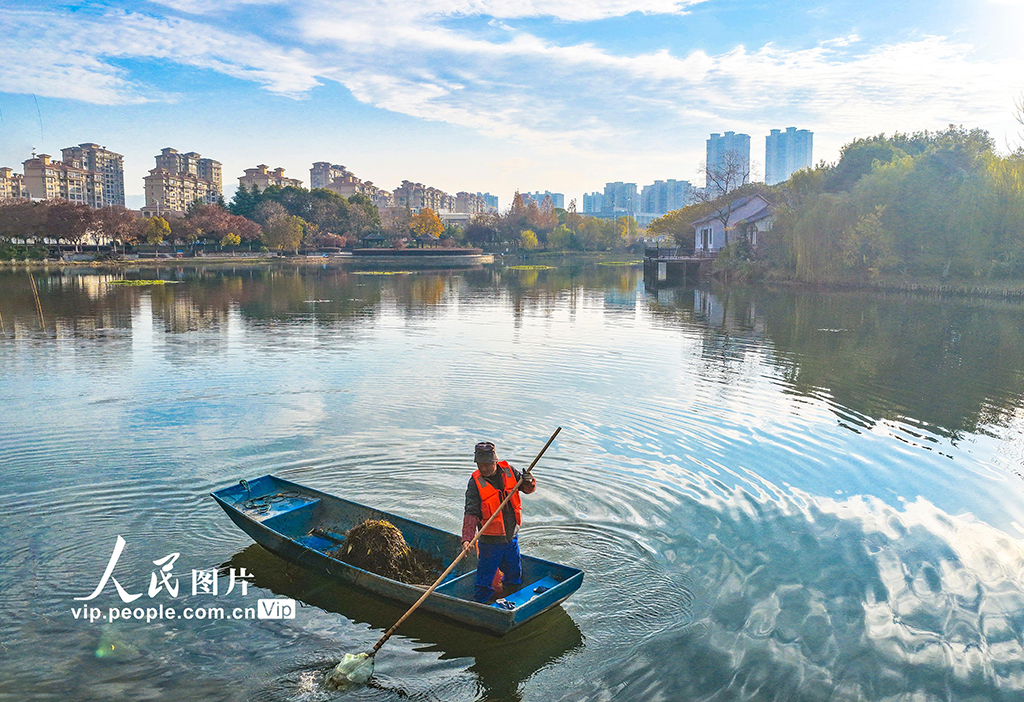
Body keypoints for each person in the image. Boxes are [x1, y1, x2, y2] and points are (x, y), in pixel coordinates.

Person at [462, 441, 536, 602]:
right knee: (485, 580)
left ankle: (513, 598)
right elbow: (471, 512)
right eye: (480, 464)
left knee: (514, 574)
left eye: (487, 464)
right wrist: (467, 538)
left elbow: (528, 489)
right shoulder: (475, 483)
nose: (483, 468)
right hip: (490, 542)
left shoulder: (510, 471)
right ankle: (481, 605)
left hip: (511, 538)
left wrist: (529, 481)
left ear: (495, 461)